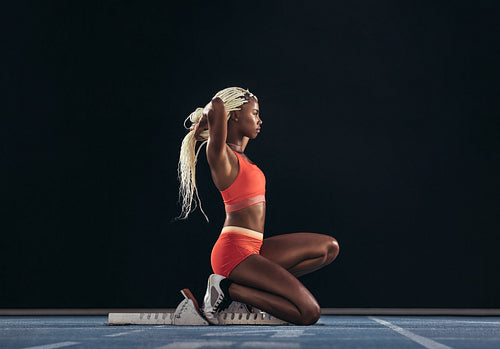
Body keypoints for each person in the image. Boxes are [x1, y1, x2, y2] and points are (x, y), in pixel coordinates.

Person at [177, 87, 339, 325]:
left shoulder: (242, 154)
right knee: (309, 313)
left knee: (328, 248)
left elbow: (224, 116)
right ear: (234, 116)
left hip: (254, 248)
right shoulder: (221, 156)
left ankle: (244, 290)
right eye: (254, 113)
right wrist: (204, 120)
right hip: (234, 253)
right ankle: (230, 290)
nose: (260, 119)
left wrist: (213, 119)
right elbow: (216, 104)